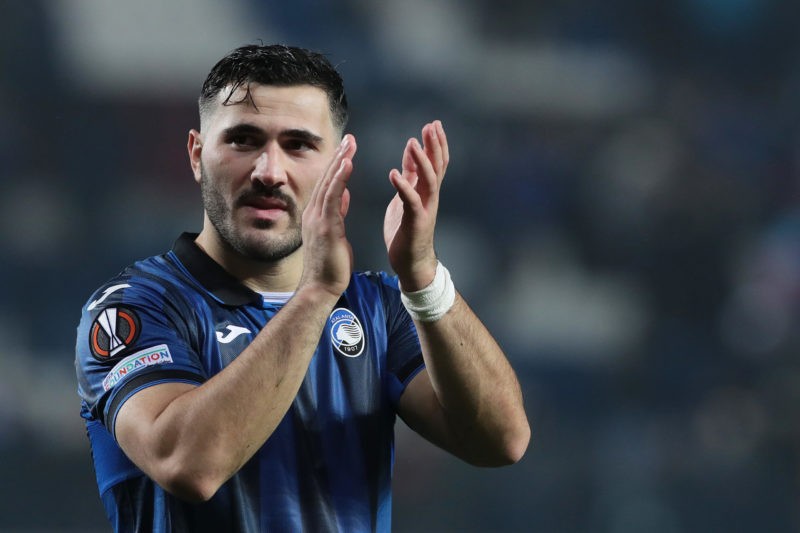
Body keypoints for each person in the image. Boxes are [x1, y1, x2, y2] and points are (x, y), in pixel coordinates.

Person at [75, 43, 530, 533]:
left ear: (338, 162)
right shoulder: (134, 309)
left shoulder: (378, 308)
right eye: (244, 140)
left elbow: (501, 441)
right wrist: (315, 295)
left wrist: (422, 275)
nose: (270, 171)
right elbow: (189, 464)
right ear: (197, 155)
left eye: (299, 145)